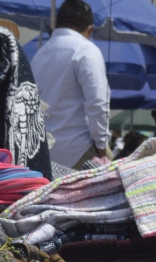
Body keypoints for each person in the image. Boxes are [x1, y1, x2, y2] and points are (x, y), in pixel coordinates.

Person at [30, 0, 110, 169]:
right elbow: (98, 103)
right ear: (90, 29)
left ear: (56, 24)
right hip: (77, 150)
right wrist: (102, 146)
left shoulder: (39, 55)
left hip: (42, 153)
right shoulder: (87, 50)